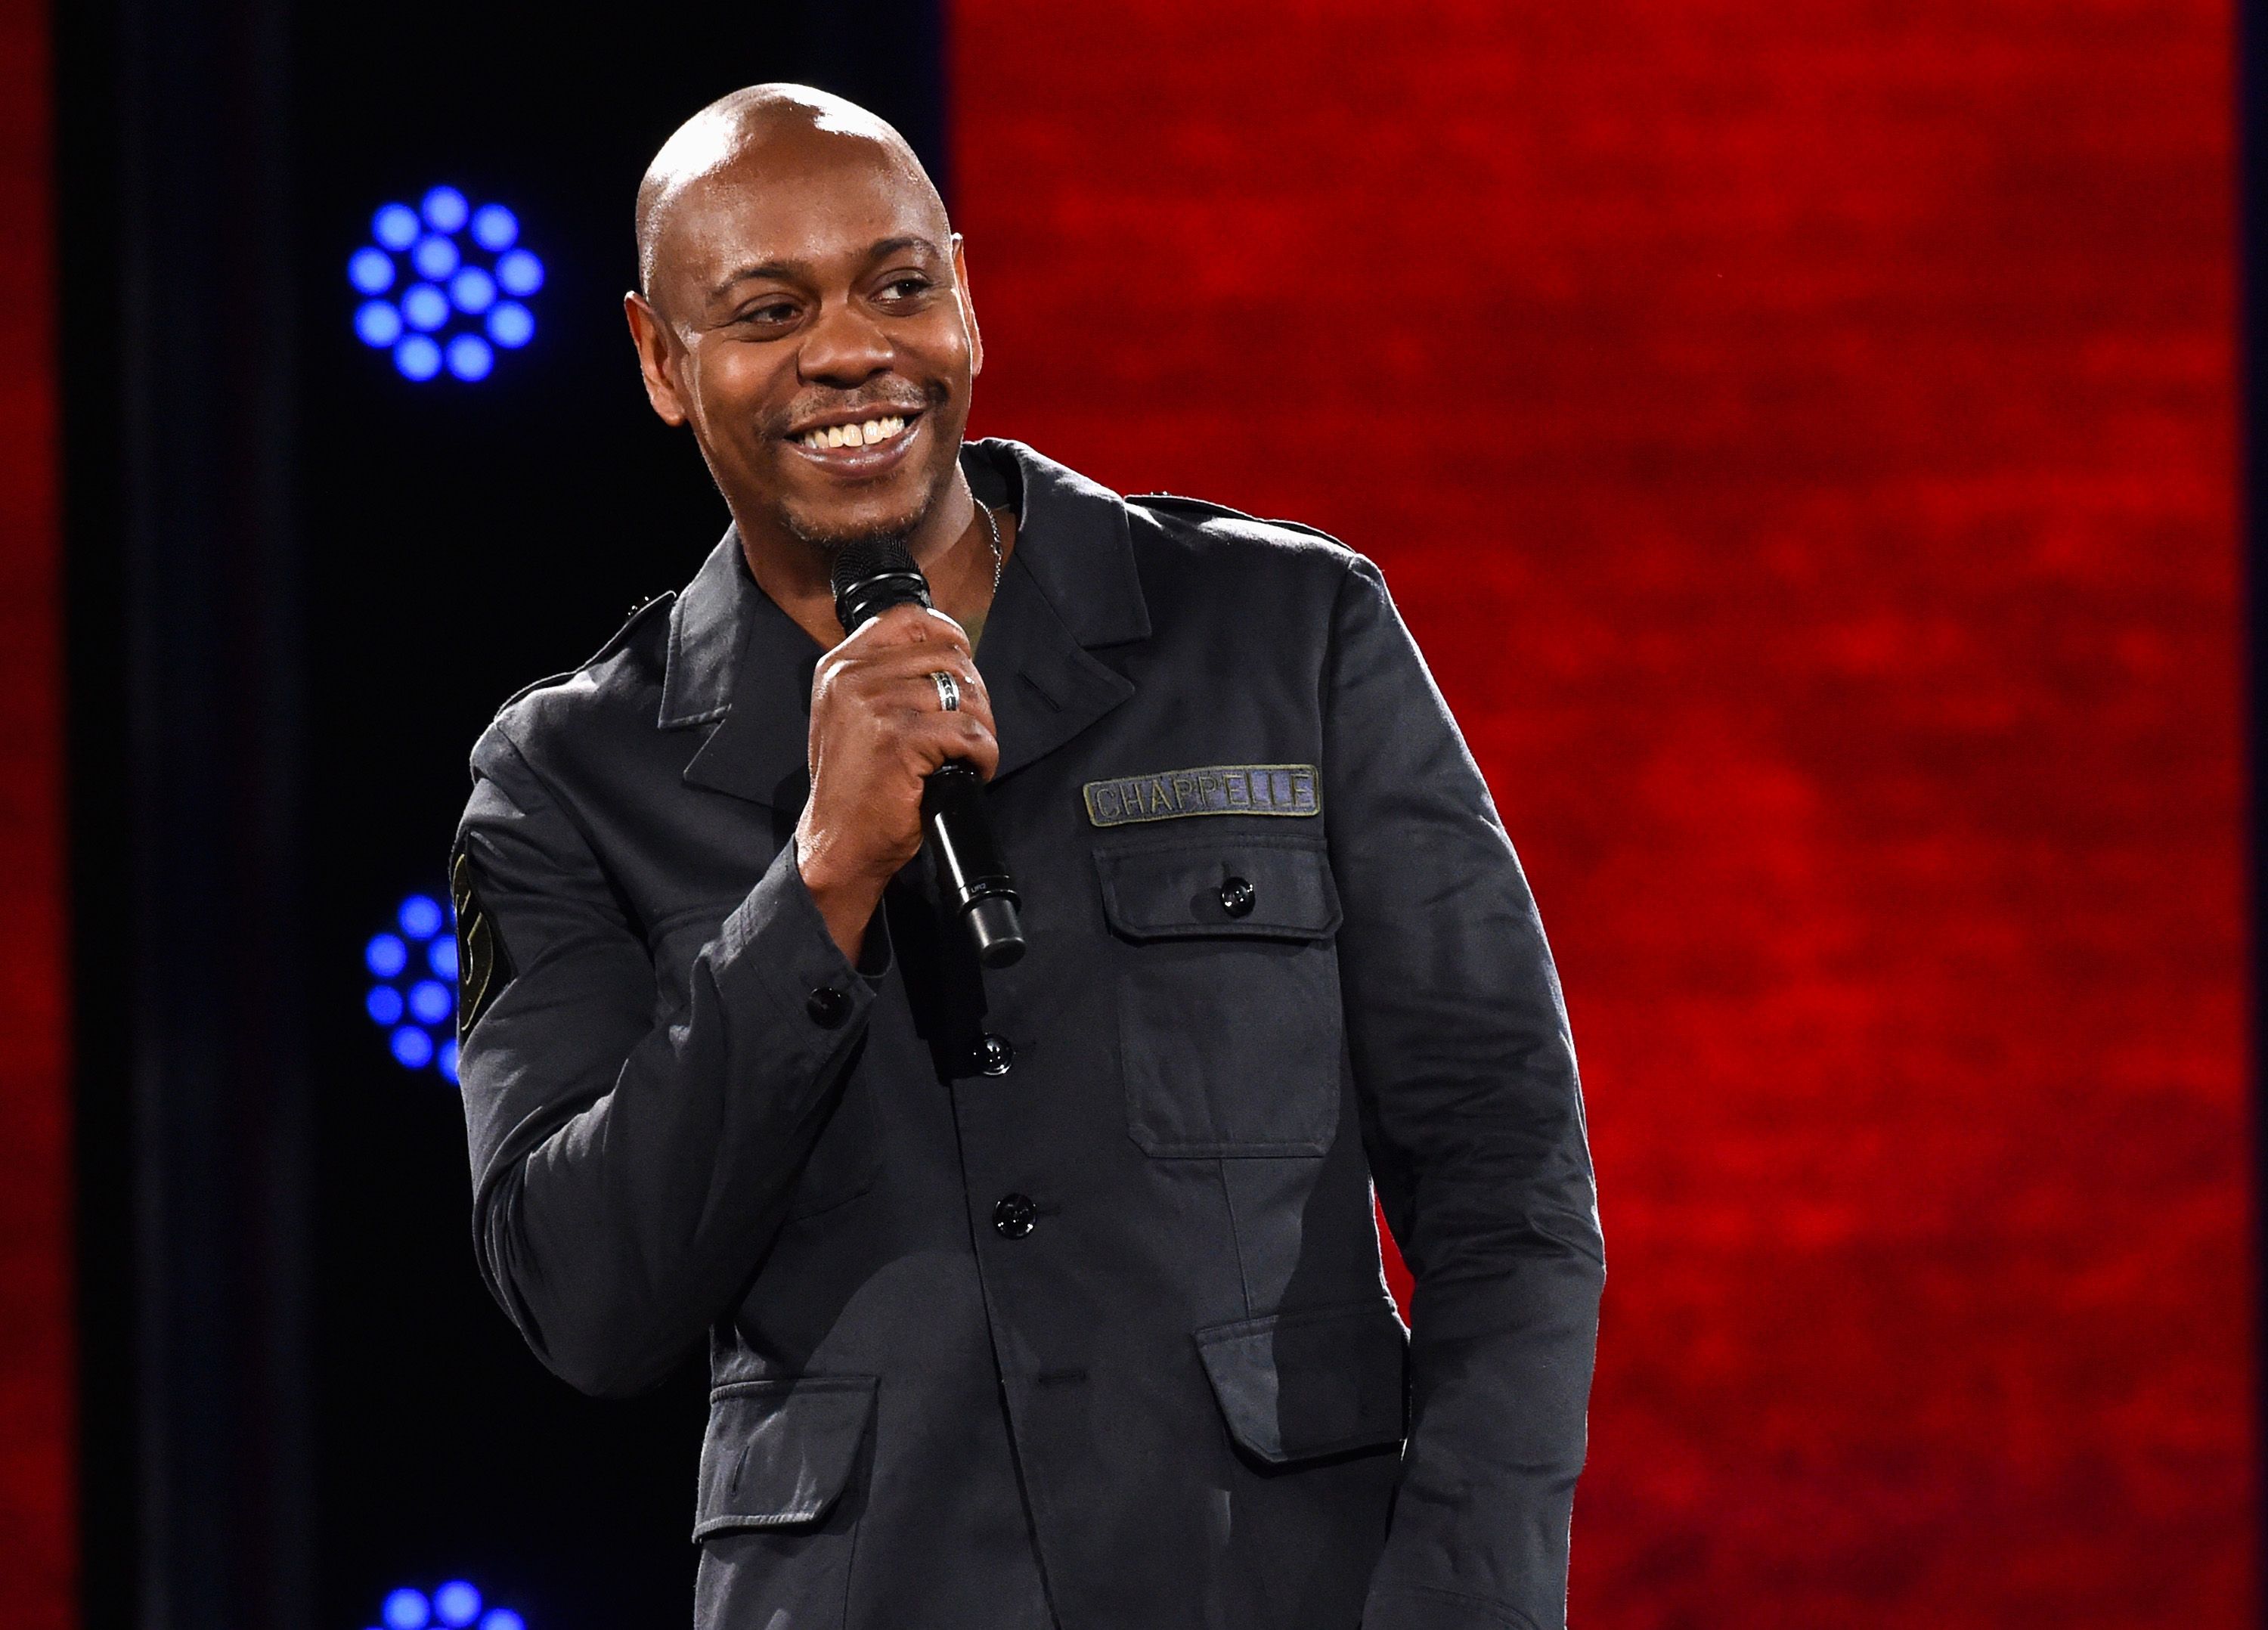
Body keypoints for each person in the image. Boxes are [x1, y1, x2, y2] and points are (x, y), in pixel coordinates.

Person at [450, 83, 1603, 1630]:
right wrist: (819, 884)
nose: (852, 348)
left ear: (969, 302)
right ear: (664, 360)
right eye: (770, 308)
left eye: (899, 284)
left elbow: (1506, 1174)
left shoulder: (1283, 631)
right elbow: (586, 1297)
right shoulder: (568, 779)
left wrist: (1468, 1602)